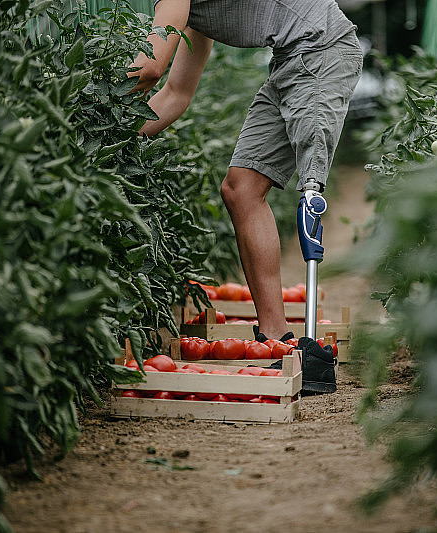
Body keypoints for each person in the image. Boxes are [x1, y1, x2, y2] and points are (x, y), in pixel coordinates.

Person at [129, 0, 362, 392]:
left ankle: (312, 362)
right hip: (291, 57)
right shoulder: (189, 11)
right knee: (240, 188)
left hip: (322, 48)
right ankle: (277, 340)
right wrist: (116, 135)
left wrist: (95, 107)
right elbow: (175, 94)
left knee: (311, 186)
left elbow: (150, 67)